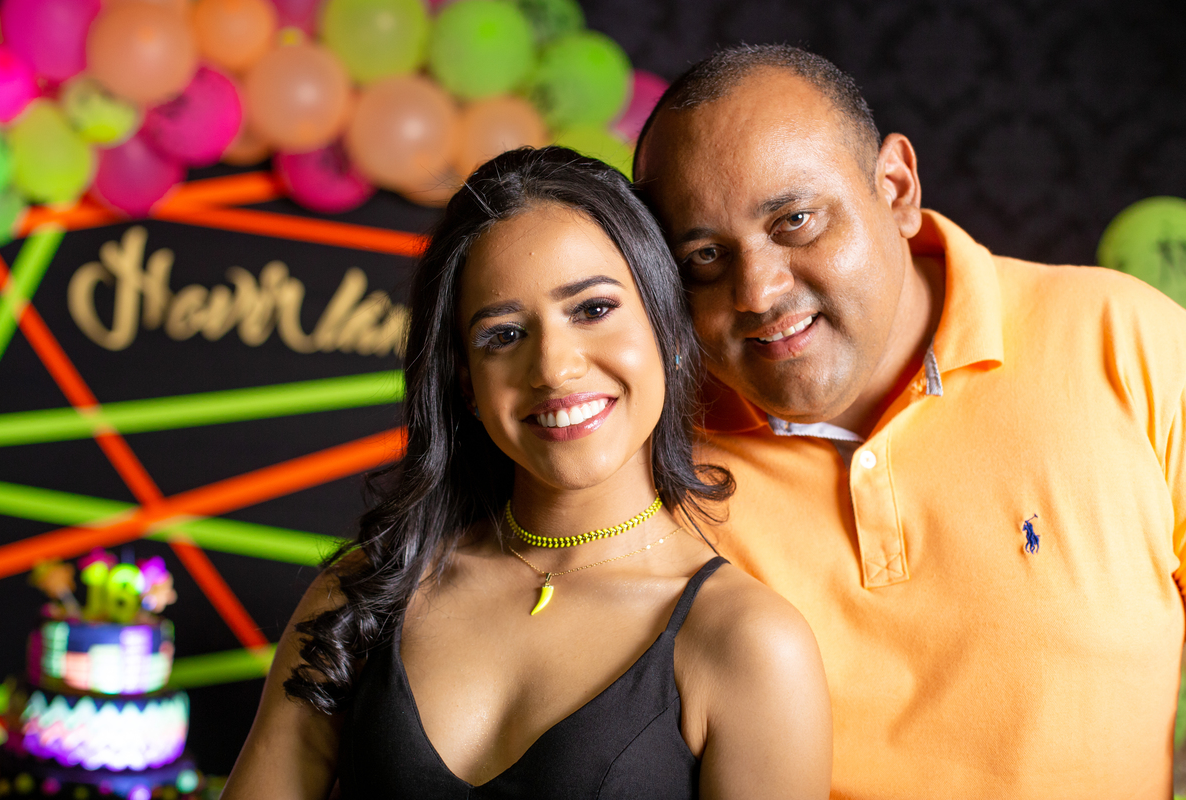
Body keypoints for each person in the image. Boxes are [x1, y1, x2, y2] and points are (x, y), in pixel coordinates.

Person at [633, 42, 1186, 799]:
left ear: (895, 188)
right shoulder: (652, 453)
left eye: (795, 220)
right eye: (704, 257)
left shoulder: (1129, 340)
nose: (757, 291)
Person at [221, 146, 831, 800]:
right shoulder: (363, 594)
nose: (554, 369)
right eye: (504, 335)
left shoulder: (750, 643)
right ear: (467, 385)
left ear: (669, 331)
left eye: (593, 309)